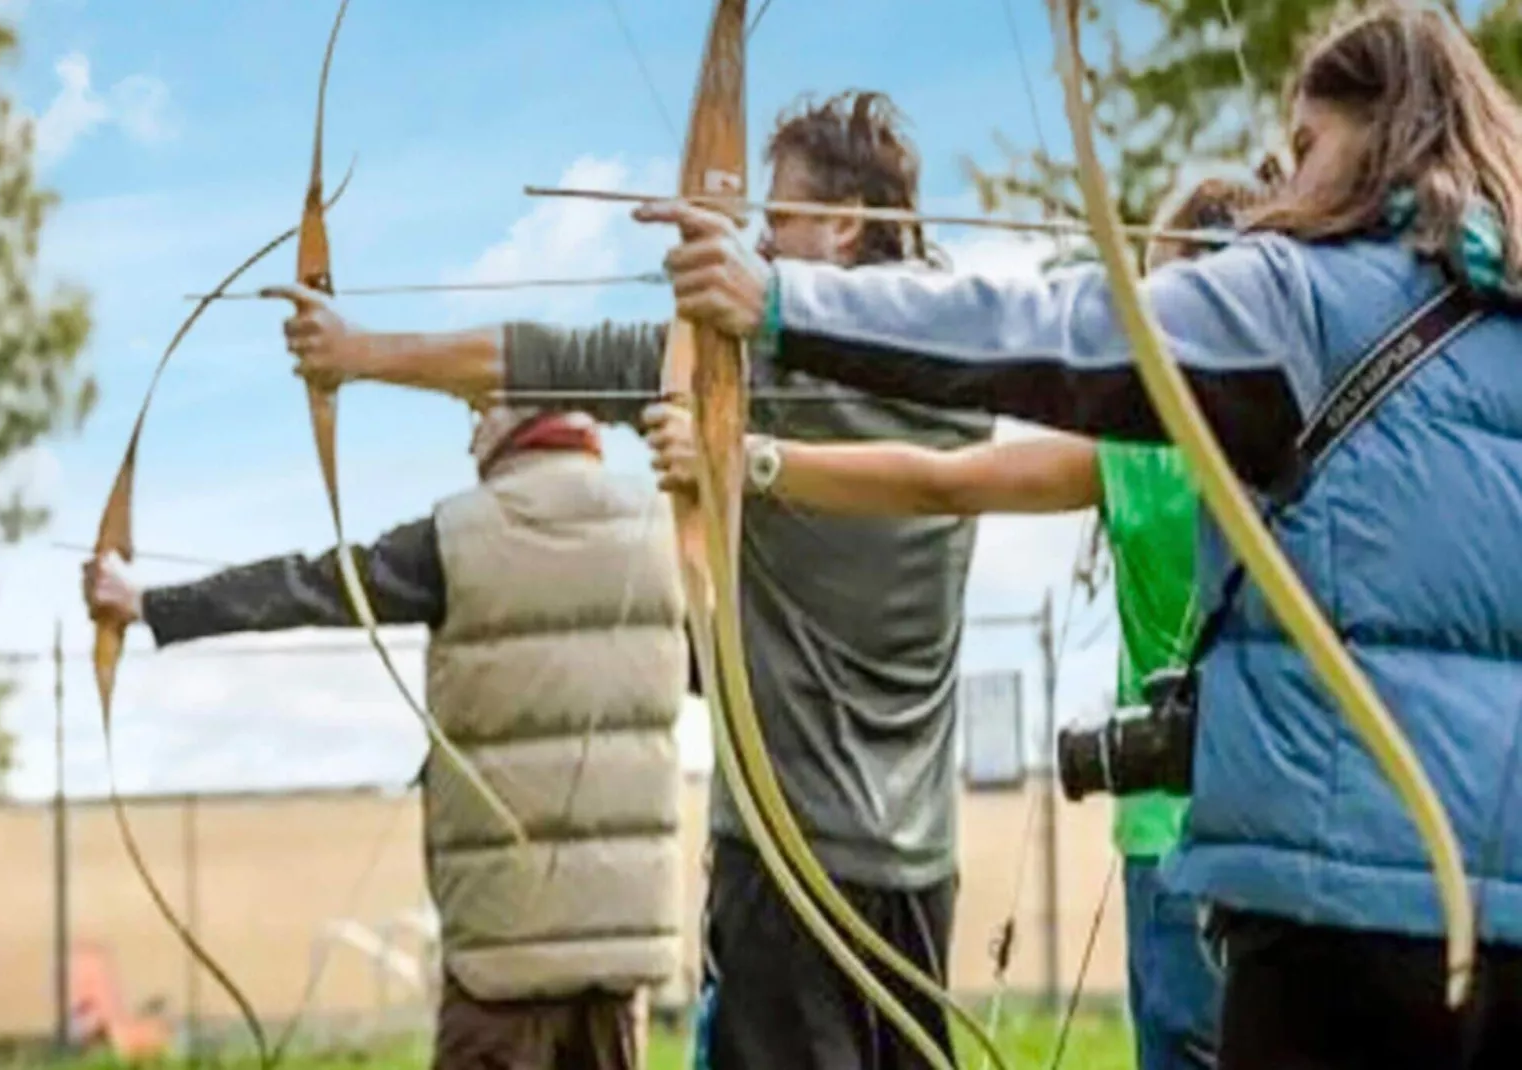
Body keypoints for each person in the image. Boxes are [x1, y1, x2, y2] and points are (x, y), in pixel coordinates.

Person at [636, 6, 1522, 1068]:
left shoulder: (1295, 294)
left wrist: (777, 300)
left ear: (1378, 140)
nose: (1286, 183)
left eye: (1306, 149)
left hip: (1331, 906)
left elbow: (1050, 327)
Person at [269, 90, 996, 1070]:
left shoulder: (757, 376)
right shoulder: (969, 373)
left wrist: (357, 352)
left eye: (773, 224)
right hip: (919, 862)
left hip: (785, 867)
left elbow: (544, 357)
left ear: (845, 223)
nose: (758, 249)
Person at [644, 176, 1253, 1070]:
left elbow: (945, 482)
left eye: (1161, 287)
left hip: (1173, 837)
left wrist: (751, 459)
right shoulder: (1322, 433)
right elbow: (943, 477)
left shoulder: (1142, 449)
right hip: (1301, 839)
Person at [82, 406, 687, 1070]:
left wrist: (146, 602)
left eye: (481, 411)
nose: (471, 433)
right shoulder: (664, 535)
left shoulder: (462, 537)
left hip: (502, 954)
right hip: (621, 959)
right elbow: (727, 679)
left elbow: (309, 587)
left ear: (521, 414)